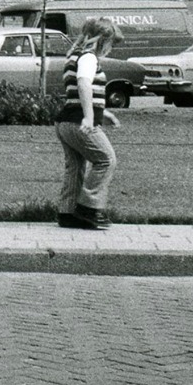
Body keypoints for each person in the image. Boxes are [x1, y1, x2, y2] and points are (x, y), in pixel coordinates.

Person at [56, 16, 122, 230]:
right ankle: (88, 209)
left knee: (74, 167)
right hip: (78, 122)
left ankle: (67, 213)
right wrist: (89, 117)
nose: (110, 48)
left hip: (65, 122)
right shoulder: (89, 57)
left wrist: (104, 113)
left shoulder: (73, 56)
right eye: (110, 43)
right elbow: (84, 84)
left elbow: (78, 92)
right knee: (106, 159)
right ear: (101, 39)